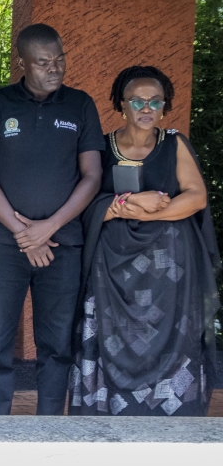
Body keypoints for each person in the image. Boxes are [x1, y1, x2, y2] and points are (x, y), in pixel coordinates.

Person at [0, 23, 104, 415]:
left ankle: (50, 430)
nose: (55, 68)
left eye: (60, 58)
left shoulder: (80, 105)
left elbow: (93, 175)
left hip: (64, 245)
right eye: (44, 61)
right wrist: (23, 232)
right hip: (5, 244)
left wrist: (48, 228)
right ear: (22, 62)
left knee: (57, 344)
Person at [70, 66, 217, 415]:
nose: (147, 108)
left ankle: (170, 413)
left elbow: (195, 197)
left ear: (165, 106)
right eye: (137, 101)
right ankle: (106, 413)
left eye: (155, 101)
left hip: (171, 270)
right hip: (112, 268)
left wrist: (144, 211)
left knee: (172, 338)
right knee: (107, 334)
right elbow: (86, 205)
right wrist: (125, 205)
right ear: (122, 104)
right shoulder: (100, 147)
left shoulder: (175, 143)